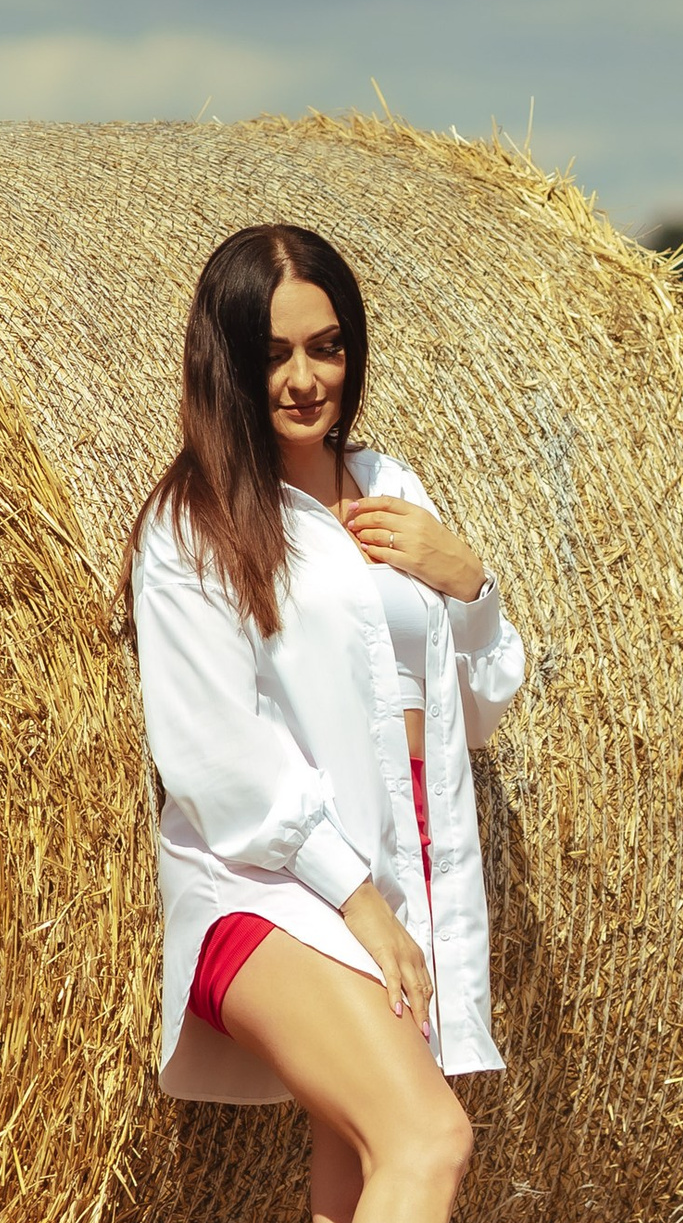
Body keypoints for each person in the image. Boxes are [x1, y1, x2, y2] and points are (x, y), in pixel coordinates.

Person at [123, 222, 528, 1223]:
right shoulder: (192, 526)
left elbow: (474, 714)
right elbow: (218, 759)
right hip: (266, 888)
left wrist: (468, 583)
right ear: (227, 363)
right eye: (273, 355)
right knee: (426, 1139)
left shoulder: (392, 489)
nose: (306, 379)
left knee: (355, 1178)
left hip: (401, 864)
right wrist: (359, 900)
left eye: (327, 346)